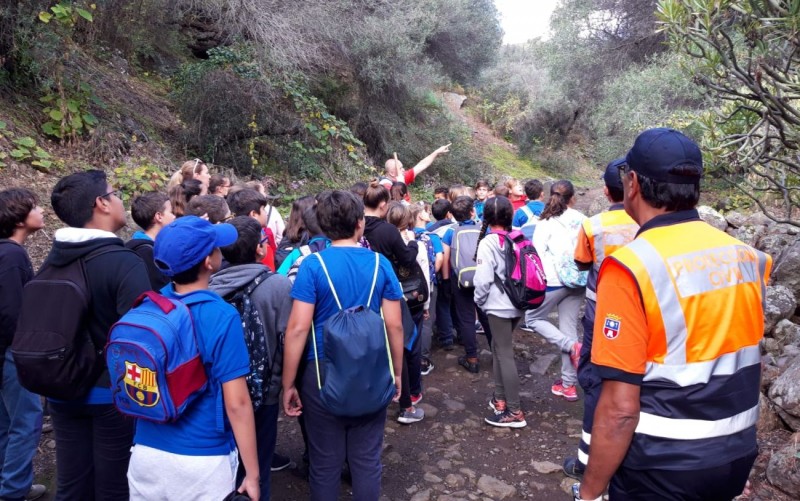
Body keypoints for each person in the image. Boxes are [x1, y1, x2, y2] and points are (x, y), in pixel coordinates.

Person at [575, 129, 772, 501]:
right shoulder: (749, 257)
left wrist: (589, 493)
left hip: (663, 465)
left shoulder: (631, 267)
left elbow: (619, 410)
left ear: (631, 183)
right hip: (736, 453)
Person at [281, 190, 404, 500]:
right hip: (373, 367)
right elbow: (395, 324)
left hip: (320, 371)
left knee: (324, 462)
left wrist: (288, 384)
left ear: (320, 225)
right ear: (360, 223)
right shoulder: (380, 264)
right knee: (366, 459)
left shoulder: (312, 266)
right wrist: (397, 373)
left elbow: (297, 329)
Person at [128, 216, 260, 501]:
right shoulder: (221, 316)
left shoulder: (148, 306)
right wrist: (253, 473)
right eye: (215, 248)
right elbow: (237, 403)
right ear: (209, 262)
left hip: (145, 453)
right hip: (202, 460)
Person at [46, 170, 151, 500]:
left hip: (61, 389)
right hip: (111, 394)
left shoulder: (52, 262)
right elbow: (141, 338)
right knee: (115, 486)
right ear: (101, 204)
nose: (120, 199)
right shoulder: (123, 263)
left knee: (72, 484)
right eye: (115, 193)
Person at [562, 158, 638, 480]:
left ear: (607, 191)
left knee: (595, 382)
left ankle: (586, 459)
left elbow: (581, 265)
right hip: (641, 317)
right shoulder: (648, 223)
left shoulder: (592, 226)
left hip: (601, 314)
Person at [209, 216, 293, 500]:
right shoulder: (278, 286)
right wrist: (286, 383)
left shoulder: (207, 287)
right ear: (260, 249)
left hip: (217, 390)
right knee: (258, 466)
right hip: (264, 389)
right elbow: (288, 338)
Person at [0, 188, 47, 501]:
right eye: (35, 206)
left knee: (5, 423)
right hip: (11, 352)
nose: (42, 210)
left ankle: (9, 484)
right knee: (26, 421)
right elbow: (11, 313)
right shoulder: (13, 255)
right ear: (19, 217)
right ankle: (14, 489)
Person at [521, 180, 585, 401]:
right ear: (573, 198)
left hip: (553, 281)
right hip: (578, 281)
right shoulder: (582, 220)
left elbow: (536, 253)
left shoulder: (545, 223)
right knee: (569, 327)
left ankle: (571, 346)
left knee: (532, 318)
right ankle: (569, 385)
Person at [472, 196, 526, 428]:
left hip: (498, 306)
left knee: (504, 353)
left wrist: (478, 301)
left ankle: (514, 411)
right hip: (518, 303)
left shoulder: (489, 242)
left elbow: (483, 280)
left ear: (487, 217)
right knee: (498, 348)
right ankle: (500, 399)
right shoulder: (518, 238)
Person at [441, 196, 492, 373]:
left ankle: (472, 357)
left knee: (466, 318)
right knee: (485, 314)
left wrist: (447, 281)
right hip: (483, 276)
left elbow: (447, 258)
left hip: (460, 279)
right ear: (473, 211)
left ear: (453, 215)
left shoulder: (451, 231)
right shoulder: (484, 229)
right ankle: (498, 352)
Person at [127, 192, 175, 290]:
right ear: (159, 216)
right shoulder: (146, 252)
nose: (174, 216)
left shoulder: (149, 247)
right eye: (171, 212)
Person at [228, 188, 277, 271]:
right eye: (263, 209)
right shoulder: (261, 246)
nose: (266, 213)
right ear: (254, 214)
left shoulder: (229, 237)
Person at [379, 144, 451, 199]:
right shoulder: (385, 186)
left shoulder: (401, 177)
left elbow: (421, 165)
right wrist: (401, 183)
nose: (403, 170)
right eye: (400, 168)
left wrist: (436, 152)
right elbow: (395, 203)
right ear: (392, 173)